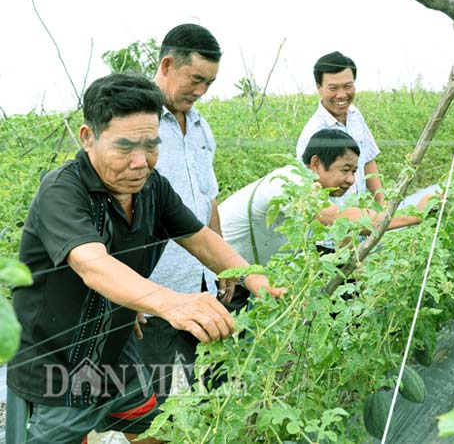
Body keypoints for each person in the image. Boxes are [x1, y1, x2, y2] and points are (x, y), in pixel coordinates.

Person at [6, 73, 282, 444]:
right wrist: (171, 303)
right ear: (88, 137)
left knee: (153, 427)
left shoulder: (152, 187)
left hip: (117, 351)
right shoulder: (63, 191)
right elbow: (92, 264)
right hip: (59, 365)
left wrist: (254, 278)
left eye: (151, 146)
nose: (141, 163)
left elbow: (199, 237)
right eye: (124, 148)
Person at [136, 24, 227, 416]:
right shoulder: (137, 122)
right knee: (150, 405)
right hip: (155, 291)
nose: (201, 90)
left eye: (208, 83)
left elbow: (209, 200)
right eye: (196, 79)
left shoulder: (201, 126)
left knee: (216, 389)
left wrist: (223, 266)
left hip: (201, 285)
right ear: (168, 65)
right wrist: (129, 294)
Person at [219, 128, 432, 272]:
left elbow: (344, 235)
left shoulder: (322, 191)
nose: (350, 180)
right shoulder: (290, 182)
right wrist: (415, 214)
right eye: (345, 170)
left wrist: (361, 280)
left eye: (354, 172)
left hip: (248, 270)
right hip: (219, 270)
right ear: (315, 163)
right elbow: (342, 219)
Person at [296, 51, 384, 205]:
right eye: (333, 88)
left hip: (360, 217)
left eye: (348, 86)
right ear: (319, 88)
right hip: (335, 223)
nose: (342, 95)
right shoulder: (313, 133)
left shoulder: (355, 115)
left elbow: (368, 161)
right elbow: (310, 190)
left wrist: (383, 206)